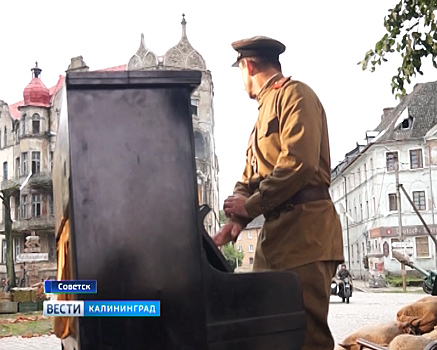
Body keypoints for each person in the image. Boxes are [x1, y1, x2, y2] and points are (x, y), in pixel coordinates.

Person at [213, 36, 344, 350]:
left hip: (306, 236)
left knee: (306, 337)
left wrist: (252, 205)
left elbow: (298, 163)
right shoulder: (259, 119)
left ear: (249, 65)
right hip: (275, 241)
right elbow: (249, 176)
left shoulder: (296, 95)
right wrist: (235, 219)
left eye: (240, 71)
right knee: (272, 334)